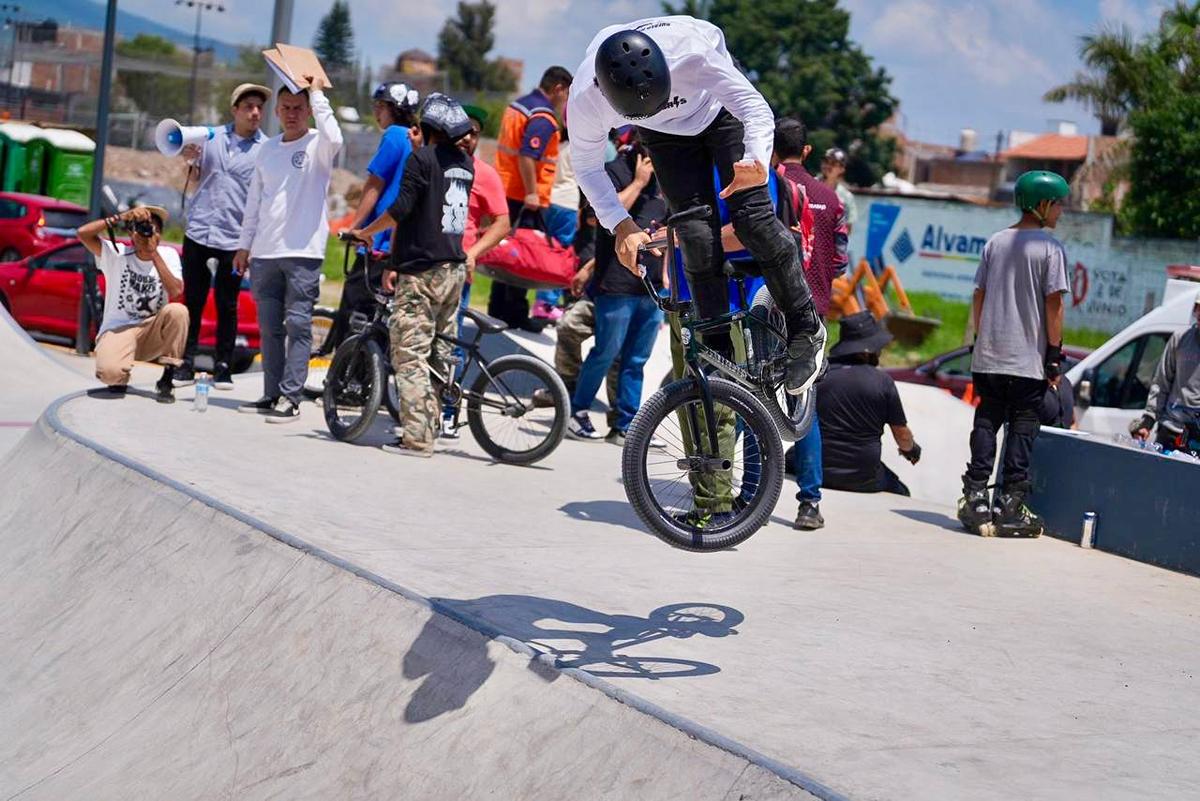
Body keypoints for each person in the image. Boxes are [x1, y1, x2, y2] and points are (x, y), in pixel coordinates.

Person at [569, 16, 825, 402]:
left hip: (720, 110)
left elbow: (755, 109)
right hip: (665, 136)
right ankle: (717, 346)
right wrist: (620, 225)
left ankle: (806, 326)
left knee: (751, 218)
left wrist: (755, 164)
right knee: (693, 234)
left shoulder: (692, 54)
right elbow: (586, 167)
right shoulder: (586, 98)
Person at [350, 93, 475, 458]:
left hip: (422, 272)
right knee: (439, 353)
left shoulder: (421, 159)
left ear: (429, 128)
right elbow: (427, 214)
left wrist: (368, 231)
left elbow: (402, 209)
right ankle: (431, 426)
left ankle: (417, 439)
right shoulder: (465, 164)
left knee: (409, 355)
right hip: (453, 268)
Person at [958, 170, 1070, 537]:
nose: (1060, 212)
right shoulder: (1051, 249)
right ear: (1041, 204)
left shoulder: (995, 242)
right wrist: (1054, 353)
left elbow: (979, 295)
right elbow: (1054, 305)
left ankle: (975, 499)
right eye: (1057, 204)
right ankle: (1009, 506)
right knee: (1023, 426)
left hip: (989, 355)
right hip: (1026, 361)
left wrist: (982, 338)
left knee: (987, 420)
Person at [234, 77, 343, 423]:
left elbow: (336, 136)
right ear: (277, 112)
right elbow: (254, 202)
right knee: (269, 328)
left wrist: (316, 93)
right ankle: (271, 393)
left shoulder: (319, 145)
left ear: (309, 111)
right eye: (286, 109)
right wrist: (243, 245)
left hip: (302, 253)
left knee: (298, 325)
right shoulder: (267, 149)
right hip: (265, 252)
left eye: (299, 108)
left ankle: (292, 398)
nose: (292, 114)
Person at [773, 116, 850, 530]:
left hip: (766, 309)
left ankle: (752, 493)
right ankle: (809, 504)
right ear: (807, 152)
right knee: (806, 407)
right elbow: (839, 260)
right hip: (812, 313)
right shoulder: (830, 199)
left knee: (756, 398)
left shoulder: (764, 188)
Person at [566, 134, 666, 443]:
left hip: (650, 286)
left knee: (636, 359)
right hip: (616, 282)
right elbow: (602, 216)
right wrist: (637, 182)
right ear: (640, 142)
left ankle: (626, 423)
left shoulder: (664, 182)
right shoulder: (613, 171)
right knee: (606, 352)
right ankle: (577, 412)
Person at [175, 82, 269, 388]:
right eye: (249, 107)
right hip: (200, 230)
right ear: (235, 110)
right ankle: (185, 362)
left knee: (228, 303)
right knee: (194, 300)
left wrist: (253, 242)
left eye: (259, 107)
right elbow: (196, 176)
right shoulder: (210, 137)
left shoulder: (265, 150)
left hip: (234, 237)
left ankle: (223, 365)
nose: (255, 113)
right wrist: (189, 159)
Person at [328, 82, 422, 351]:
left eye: (380, 106)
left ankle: (345, 379)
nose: (376, 112)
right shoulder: (418, 139)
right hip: (402, 241)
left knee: (355, 310)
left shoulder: (394, 135)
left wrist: (355, 227)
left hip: (379, 241)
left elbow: (374, 184)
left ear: (394, 109)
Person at [440, 102, 511, 439]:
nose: (466, 138)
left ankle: (448, 412)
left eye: (474, 133)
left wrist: (473, 253)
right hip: (424, 266)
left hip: (458, 272)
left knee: (452, 342)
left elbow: (502, 223)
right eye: (461, 130)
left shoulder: (484, 173)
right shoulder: (433, 163)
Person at [490, 66, 574, 329]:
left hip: (505, 187)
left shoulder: (519, 105)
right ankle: (513, 314)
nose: (566, 101)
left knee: (505, 250)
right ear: (559, 88)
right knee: (522, 256)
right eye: (567, 94)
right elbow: (528, 155)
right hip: (521, 195)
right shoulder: (543, 116)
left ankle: (497, 308)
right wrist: (531, 192)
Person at [77, 206, 187, 403]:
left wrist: (153, 254)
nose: (144, 235)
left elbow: (176, 291)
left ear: (159, 234)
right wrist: (120, 217)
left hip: (152, 331)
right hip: (119, 330)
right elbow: (83, 234)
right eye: (140, 229)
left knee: (178, 311)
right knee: (110, 374)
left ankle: (168, 377)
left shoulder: (168, 254)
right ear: (130, 233)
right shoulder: (117, 253)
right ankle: (120, 372)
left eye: (150, 230)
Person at [817, 312, 920, 495]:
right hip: (862, 477)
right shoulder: (883, 382)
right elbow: (902, 436)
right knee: (903, 492)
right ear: (867, 350)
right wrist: (912, 450)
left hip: (815, 469)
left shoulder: (821, 375)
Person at [1131, 289, 1200, 450]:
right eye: (1199, 308)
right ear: (1195, 310)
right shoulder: (1180, 339)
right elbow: (1161, 382)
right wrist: (1148, 420)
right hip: (1171, 428)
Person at [533, 126, 580, 323]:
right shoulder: (578, 147)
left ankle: (540, 301)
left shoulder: (557, 146)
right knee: (561, 252)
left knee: (546, 250)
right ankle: (548, 302)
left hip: (549, 199)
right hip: (568, 201)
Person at [821, 147, 857, 235]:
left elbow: (848, 228)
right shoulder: (809, 186)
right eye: (825, 161)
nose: (827, 166)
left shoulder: (847, 197)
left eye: (833, 163)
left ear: (842, 169)